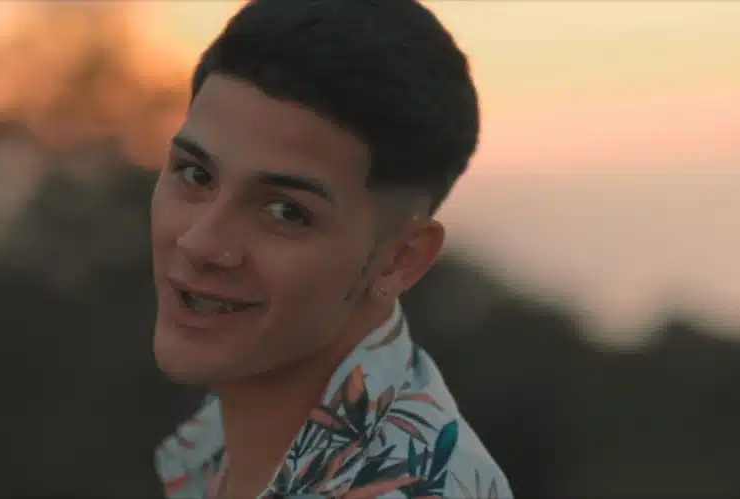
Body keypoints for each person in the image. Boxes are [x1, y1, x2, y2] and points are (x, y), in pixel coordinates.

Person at [150, 0, 511, 497]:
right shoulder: (223, 441)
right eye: (195, 175)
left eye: (285, 212)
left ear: (401, 259)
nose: (200, 243)